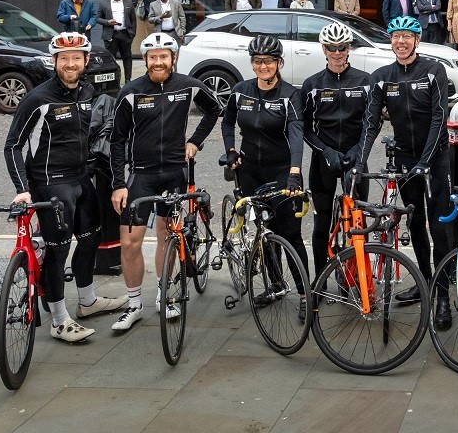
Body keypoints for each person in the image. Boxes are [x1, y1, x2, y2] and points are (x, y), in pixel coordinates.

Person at [4, 32, 126, 343]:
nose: (70, 64)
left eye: (75, 58)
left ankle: (87, 301)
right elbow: (13, 145)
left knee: (90, 241)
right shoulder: (38, 98)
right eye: (63, 59)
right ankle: (59, 320)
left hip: (80, 180)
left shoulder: (87, 92)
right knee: (58, 252)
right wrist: (22, 188)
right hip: (49, 185)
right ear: (54, 61)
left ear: (85, 61)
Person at [107, 33, 222, 331]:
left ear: (173, 58)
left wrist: (195, 141)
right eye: (152, 56)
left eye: (164, 56)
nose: (158, 61)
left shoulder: (187, 86)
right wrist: (118, 184)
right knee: (130, 243)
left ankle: (163, 295)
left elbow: (215, 109)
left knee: (166, 237)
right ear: (144, 60)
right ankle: (133, 305)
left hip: (174, 173)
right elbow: (117, 141)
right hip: (140, 175)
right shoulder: (130, 92)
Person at [355, 16, 455, 327]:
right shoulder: (383, 76)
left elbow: (440, 117)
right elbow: (371, 122)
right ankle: (423, 281)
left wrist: (426, 160)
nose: (401, 42)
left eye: (407, 37)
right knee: (415, 222)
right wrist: (361, 161)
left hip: (435, 160)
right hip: (406, 160)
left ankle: (441, 296)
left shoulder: (433, 70)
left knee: (439, 227)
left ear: (417, 40)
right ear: (391, 41)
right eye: (396, 36)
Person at [221, 35, 310, 319]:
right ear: (252, 63)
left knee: (291, 234)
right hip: (250, 172)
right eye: (258, 61)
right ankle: (276, 284)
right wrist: (231, 150)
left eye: (269, 61)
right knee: (264, 231)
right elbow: (227, 122)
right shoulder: (240, 91)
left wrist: (295, 172)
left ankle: (305, 293)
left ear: (279, 63)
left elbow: (297, 134)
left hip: (282, 170)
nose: (263, 66)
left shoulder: (289, 94)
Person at [301, 22, 372, 280]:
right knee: (321, 224)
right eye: (332, 47)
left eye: (342, 47)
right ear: (324, 49)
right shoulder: (312, 84)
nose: (337, 52)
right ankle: (319, 280)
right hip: (324, 161)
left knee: (358, 222)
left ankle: (357, 277)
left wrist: (358, 150)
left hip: (355, 158)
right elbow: (304, 128)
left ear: (349, 48)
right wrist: (326, 151)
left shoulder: (365, 82)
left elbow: (370, 123)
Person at [97, 0, 136, 82]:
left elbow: (133, 20)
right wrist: (107, 22)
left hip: (125, 34)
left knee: (127, 57)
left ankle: (128, 79)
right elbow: (97, 18)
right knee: (110, 58)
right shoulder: (103, 4)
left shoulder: (128, 4)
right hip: (111, 34)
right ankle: (112, 80)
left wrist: (132, 34)